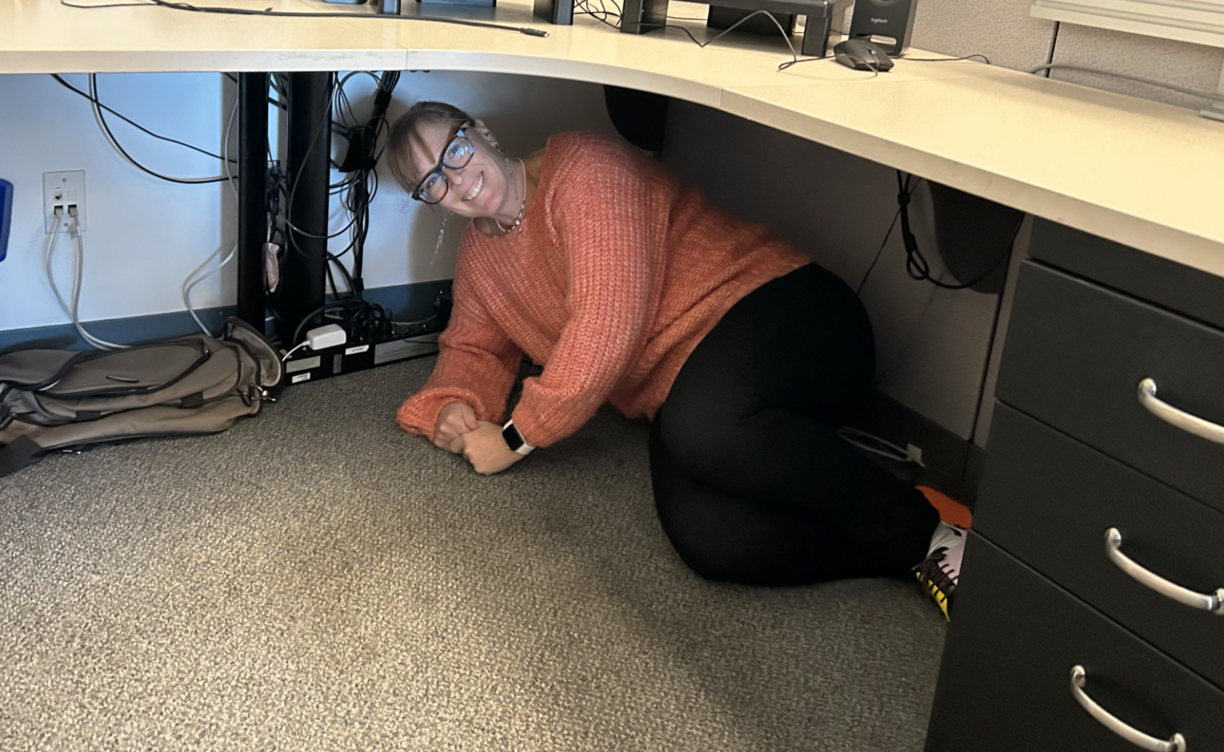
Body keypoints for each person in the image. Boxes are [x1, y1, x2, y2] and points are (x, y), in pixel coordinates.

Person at [386, 101, 966, 618]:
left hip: (793, 314)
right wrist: (452, 407)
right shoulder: (480, 257)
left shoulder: (585, 166)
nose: (455, 181)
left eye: (455, 151)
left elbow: (606, 325)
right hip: (696, 393)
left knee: (701, 429)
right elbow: (474, 347)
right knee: (712, 542)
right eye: (430, 181)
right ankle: (907, 555)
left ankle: (930, 533)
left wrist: (515, 437)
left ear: (482, 132)